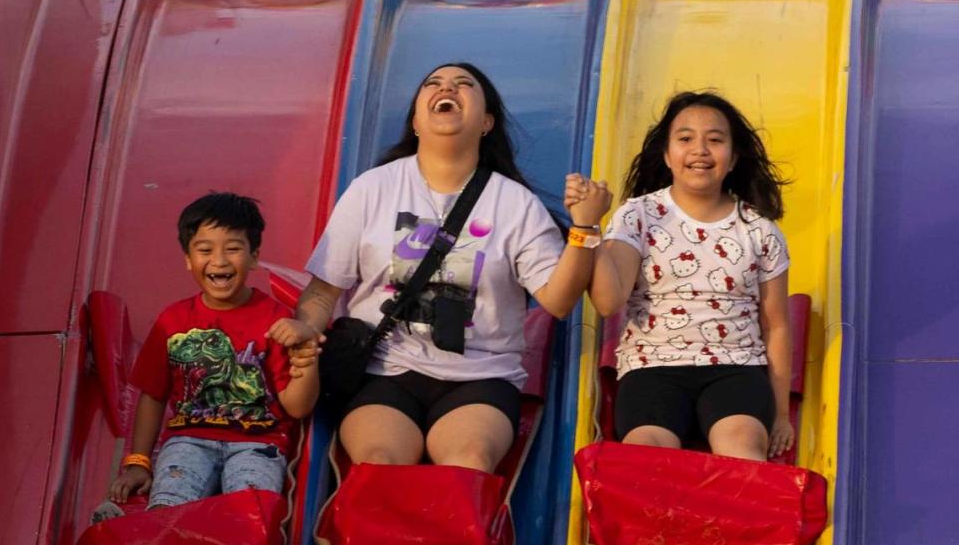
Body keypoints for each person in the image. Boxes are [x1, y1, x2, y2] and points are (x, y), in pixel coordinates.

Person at [269, 63, 611, 474]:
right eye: (433, 83)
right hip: (384, 370)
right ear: (416, 119)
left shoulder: (514, 203)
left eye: (464, 85)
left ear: (486, 122)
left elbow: (558, 300)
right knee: (380, 464)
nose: (446, 88)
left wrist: (586, 228)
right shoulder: (372, 189)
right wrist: (307, 326)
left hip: (481, 376)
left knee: (468, 461)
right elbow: (323, 293)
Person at [590, 91, 793, 462]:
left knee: (742, 450)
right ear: (668, 155)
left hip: (735, 367)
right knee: (647, 454)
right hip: (653, 367)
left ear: (732, 158)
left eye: (715, 140)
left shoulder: (759, 231)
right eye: (685, 139)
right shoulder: (638, 216)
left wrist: (781, 414)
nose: (700, 149)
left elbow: (776, 325)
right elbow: (608, 301)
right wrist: (588, 226)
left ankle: (735, 520)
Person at [108, 193, 319, 509]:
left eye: (233, 249)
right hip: (188, 440)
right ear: (188, 259)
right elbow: (152, 394)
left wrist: (308, 362)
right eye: (205, 250)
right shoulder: (173, 321)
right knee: (168, 506)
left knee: (252, 511)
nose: (219, 261)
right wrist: (139, 461)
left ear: (254, 255)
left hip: (257, 443)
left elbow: (296, 407)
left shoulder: (275, 319)